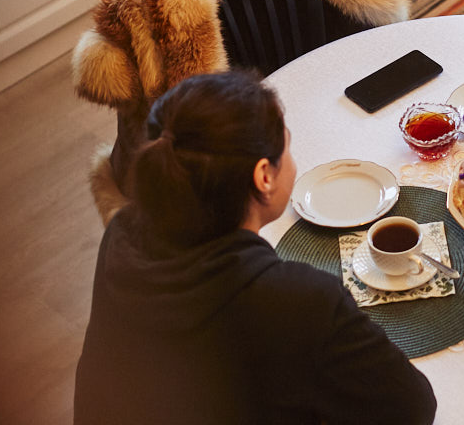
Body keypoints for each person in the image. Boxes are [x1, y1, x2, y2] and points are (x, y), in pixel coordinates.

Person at [73, 71, 437, 425]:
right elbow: (411, 408)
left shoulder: (123, 233)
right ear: (264, 176)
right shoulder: (298, 300)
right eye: (287, 144)